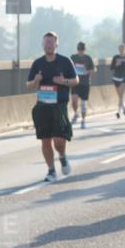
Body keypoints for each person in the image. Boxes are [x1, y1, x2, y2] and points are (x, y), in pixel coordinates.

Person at [27, 32, 78, 181]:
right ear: (43, 45)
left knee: (59, 141)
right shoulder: (37, 63)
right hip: (42, 106)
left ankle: (62, 156)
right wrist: (36, 80)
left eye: (51, 42)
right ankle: (51, 170)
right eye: (46, 42)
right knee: (45, 140)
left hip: (59, 105)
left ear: (56, 44)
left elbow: (76, 80)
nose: (48, 45)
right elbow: (28, 85)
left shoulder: (65, 61)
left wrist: (64, 82)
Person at [70, 41, 96, 127]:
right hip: (75, 82)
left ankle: (83, 121)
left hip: (85, 83)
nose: (80, 51)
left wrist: (87, 71)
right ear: (77, 49)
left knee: (83, 104)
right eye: (79, 49)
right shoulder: (73, 57)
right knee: (74, 101)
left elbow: (94, 70)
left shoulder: (88, 58)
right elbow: (68, 67)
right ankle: (76, 114)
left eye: (82, 50)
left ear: (84, 50)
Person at [108, 43, 125, 118]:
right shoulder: (115, 57)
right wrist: (116, 65)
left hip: (124, 77)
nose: (122, 50)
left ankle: (118, 111)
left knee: (121, 93)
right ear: (118, 49)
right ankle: (123, 108)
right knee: (120, 95)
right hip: (116, 77)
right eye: (120, 49)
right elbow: (111, 68)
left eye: (123, 49)